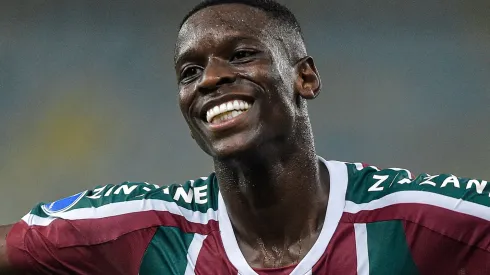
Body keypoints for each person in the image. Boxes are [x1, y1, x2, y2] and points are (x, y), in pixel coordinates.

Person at [1, 0, 489, 274]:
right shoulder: (147, 230)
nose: (209, 79)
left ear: (306, 78)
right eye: (189, 71)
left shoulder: (416, 219)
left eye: (239, 55)